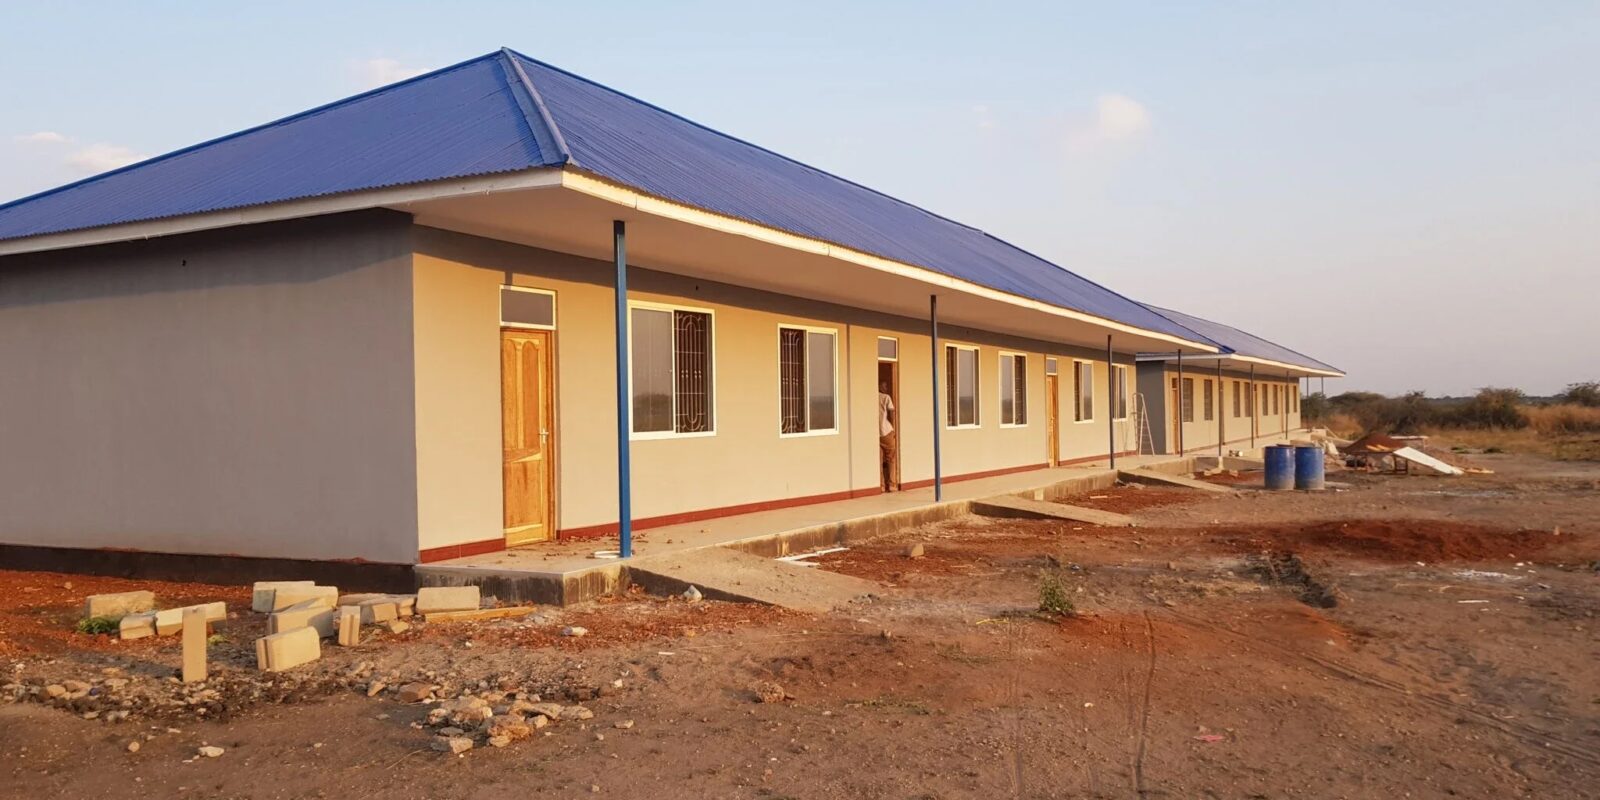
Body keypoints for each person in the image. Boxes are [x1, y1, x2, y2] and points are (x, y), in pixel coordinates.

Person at [878, 379, 897, 491]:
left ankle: (881, 486)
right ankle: (891, 484)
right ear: (879, 386)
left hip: (876, 433)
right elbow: (892, 413)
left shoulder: (871, 397)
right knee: (891, 458)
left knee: (879, 460)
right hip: (886, 431)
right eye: (884, 386)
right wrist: (894, 429)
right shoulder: (886, 397)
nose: (886, 388)